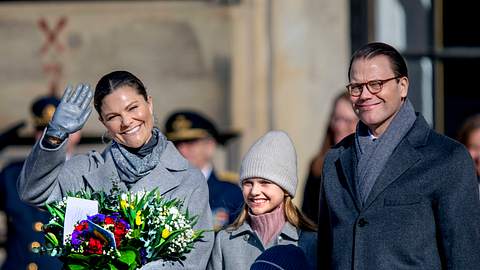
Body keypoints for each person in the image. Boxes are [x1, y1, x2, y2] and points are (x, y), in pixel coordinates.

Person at [17, 71, 214, 269]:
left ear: (149, 104)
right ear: (103, 123)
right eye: (113, 116)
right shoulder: (85, 170)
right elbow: (33, 193)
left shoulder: (188, 178)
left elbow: (193, 260)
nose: (127, 121)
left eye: (133, 108)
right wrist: (55, 134)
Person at [318, 42, 480, 269]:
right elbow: (326, 252)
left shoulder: (447, 158)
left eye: (376, 84)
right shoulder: (335, 159)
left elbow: (464, 257)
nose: (365, 95)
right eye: (356, 87)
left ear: (402, 85)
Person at [208, 131, 317, 270]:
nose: (254, 191)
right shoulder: (225, 241)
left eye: (264, 182)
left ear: (285, 188)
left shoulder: (309, 241)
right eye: (248, 183)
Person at [0, 96, 67, 270]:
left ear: (75, 133)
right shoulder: (12, 174)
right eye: (42, 129)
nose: (48, 137)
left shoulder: (86, 174)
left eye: (58, 131)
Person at [164, 111, 243, 230]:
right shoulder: (163, 190)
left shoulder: (233, 193)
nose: (182, 150)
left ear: (210, 146)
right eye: (177, 144)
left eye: (190, 143)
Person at [302, 92, 357, 222]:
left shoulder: (368, 166)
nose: (339, 126)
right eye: (336, 119)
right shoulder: (318, 165)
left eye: (347, 121)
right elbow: (307, 217)